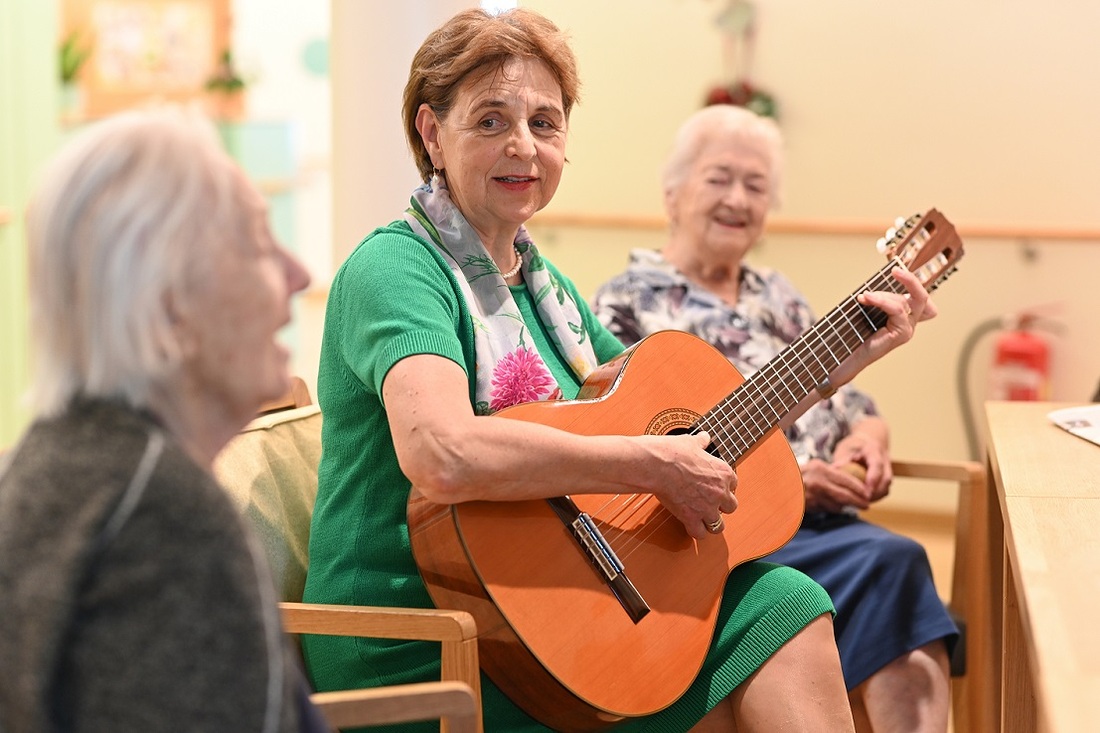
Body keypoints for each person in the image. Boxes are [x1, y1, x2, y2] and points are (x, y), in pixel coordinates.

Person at [302, 8, 937, 732]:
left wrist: (833, 365)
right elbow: (441, 454)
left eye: (545, 123)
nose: (523, 146)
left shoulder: (546, 290)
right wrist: (648, 465)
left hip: (537, 608)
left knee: (784, 601)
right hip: (423, 635)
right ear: (430, 133)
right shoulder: (396, 268)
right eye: (490, 121)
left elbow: (697, 420)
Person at [591, 103, 958, 733]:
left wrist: (865, 445)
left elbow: (853, 406)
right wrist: (792, 476)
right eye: (719, 178)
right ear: (673, 194)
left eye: (756, 185)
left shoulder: (779, 296)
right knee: (886, 561)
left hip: (822, 528)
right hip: (711, 539)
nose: (737, 198)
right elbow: (625, 439)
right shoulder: (623, 300)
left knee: (897, 558)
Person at [0, 107, 323, 731]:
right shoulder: (163, 513)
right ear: (171, 305)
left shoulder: (54, 462)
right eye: (260, 241)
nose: (299, 274)